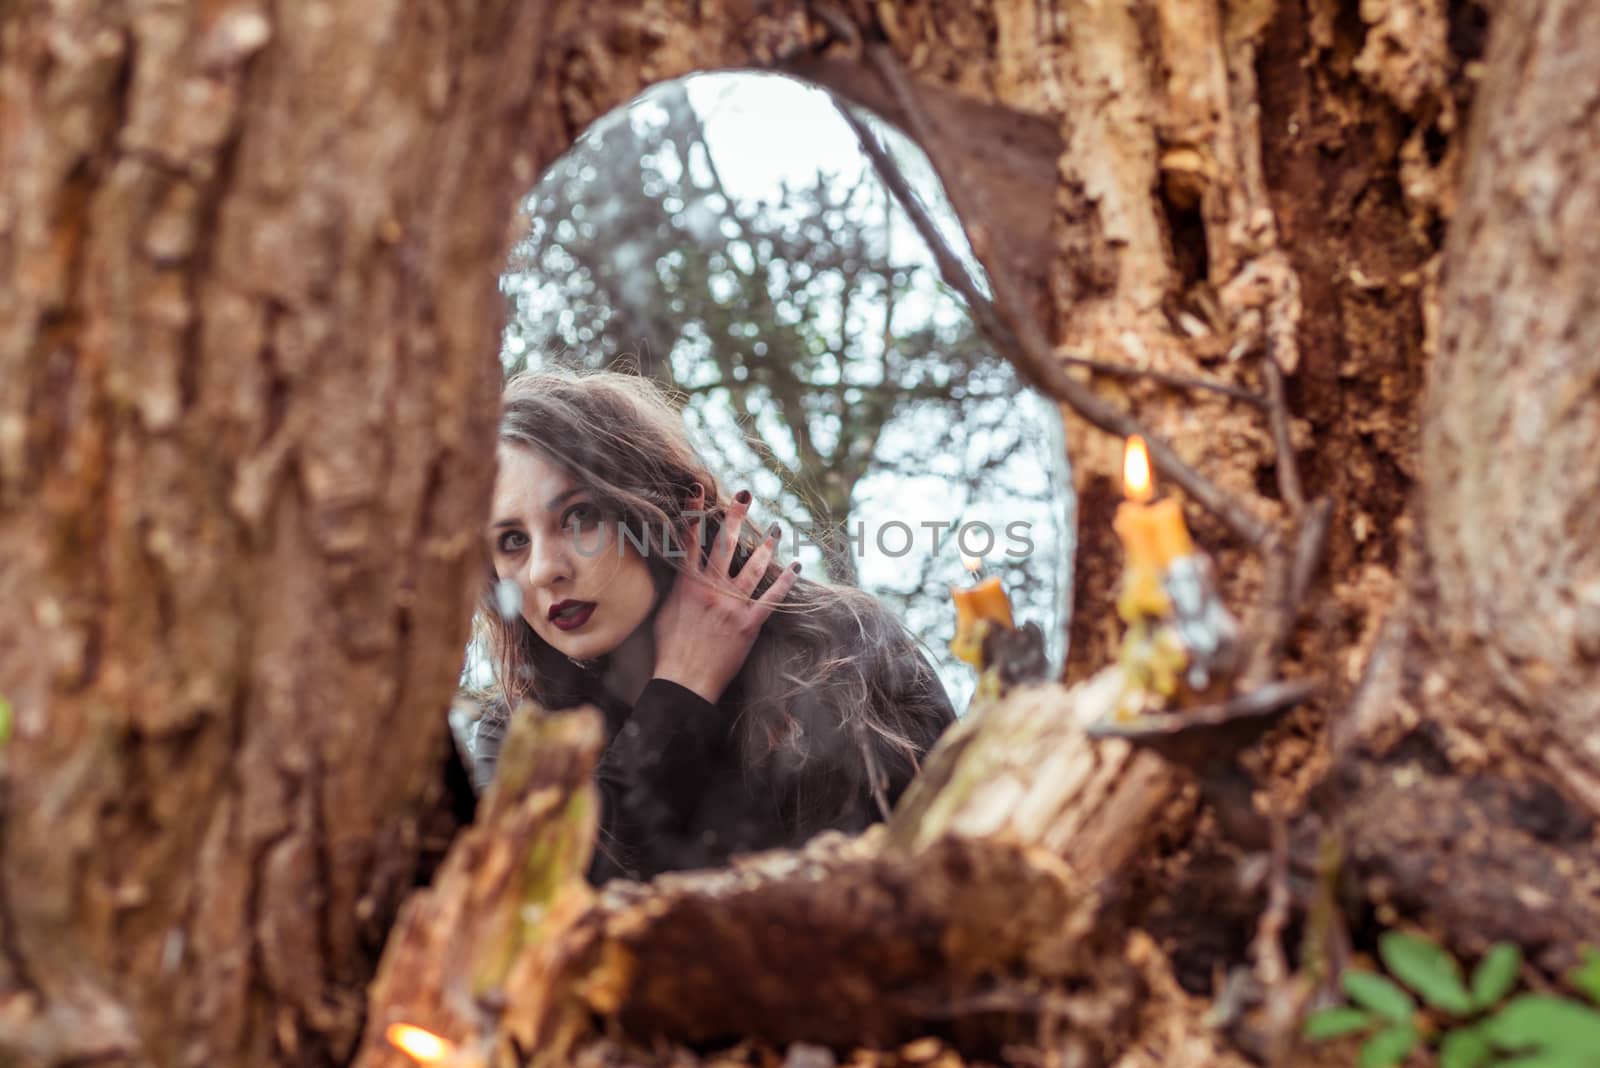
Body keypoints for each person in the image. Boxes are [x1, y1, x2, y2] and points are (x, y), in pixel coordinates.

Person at [472, 368, 956, 884]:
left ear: (665, 508)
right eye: (512, 541)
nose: (545, 569)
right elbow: (548, 918)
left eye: (579, 516)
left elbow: (951, 865)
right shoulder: (517, 736)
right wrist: (681, 690)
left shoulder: (838, 646)